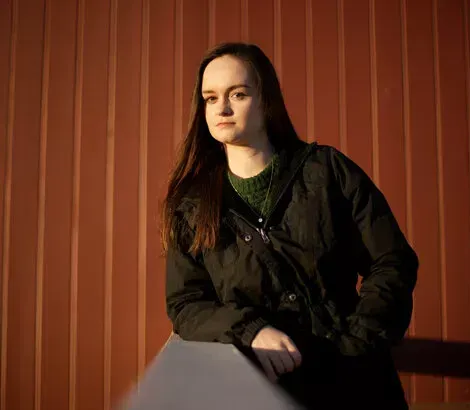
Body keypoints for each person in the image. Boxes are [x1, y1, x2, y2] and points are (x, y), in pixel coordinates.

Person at [161, 42, 418, 409]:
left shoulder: (327, 172)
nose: (222, 108)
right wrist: (250, 330)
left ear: (266, 99)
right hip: (263, 391)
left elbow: (392, 261)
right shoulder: (192, 206)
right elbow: (187, 303)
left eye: (238, 94)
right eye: (210, 98)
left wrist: (357, 343)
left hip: (356, 385)